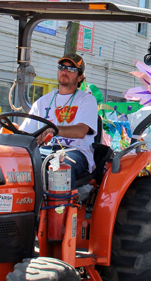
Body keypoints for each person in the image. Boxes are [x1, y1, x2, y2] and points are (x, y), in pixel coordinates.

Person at [20, 55, 98, 186]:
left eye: (71, 69)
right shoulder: (42, 101)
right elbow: (25, 133)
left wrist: (54, 129)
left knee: (59, 169)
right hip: (44, 150)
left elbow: (81, 131)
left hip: (74, 151)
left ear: (80, 77)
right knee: (18, 164)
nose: (65, 71)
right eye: (62, 67)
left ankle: (59, 206)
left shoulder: (86, 100)